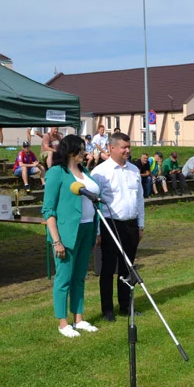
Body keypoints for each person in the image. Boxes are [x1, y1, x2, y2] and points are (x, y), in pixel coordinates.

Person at [42, 135, 100, 337]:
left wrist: (96, 232)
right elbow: (48, 210)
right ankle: (63, 323)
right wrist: (56, 240)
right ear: (69, 151)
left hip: (87, 229)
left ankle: (79, 318)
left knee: (80, 277)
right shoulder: (56, 173)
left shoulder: (84, 171)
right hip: (66, 234)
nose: (85, 153)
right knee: (64, 278)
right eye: (81, 150)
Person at [91, 132, 144, 321]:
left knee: (127, 268)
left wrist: (140, 225)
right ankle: (107, 310)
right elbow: (93, 204)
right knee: (107, 269)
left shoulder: (134, 170)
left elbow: (139, 199)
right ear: (111, 148)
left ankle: (125, 306)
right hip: (109, 225)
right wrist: (97, 231)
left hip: (131, 225)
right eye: (124, 147)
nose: (127, 151)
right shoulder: (100, 172)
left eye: (128, 147)